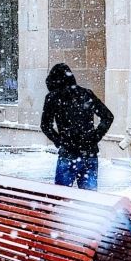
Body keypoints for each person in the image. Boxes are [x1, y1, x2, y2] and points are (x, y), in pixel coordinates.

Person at [41, 63, 114, 191]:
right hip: (89, 153)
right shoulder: (86, 94)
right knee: (89, 200)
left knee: (61, 198)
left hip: (68, 153)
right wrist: (94, 137)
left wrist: (59, 141)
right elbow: (107, 116)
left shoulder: (53, 97)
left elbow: (45, 125)